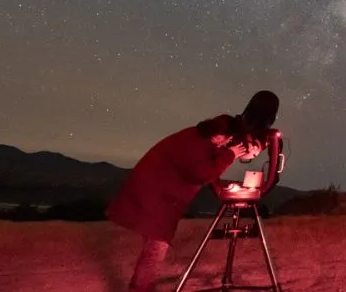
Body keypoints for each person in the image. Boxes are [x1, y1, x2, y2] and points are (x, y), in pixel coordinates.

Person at [107, 90, 280, 292]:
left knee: (154, 245)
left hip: (156, 189)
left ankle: (142, 286)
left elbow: (208, 165)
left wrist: (237, 151)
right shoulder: (203, 143)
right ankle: (140, 288)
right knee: (156, 246)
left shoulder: (208, 134)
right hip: (155, 191)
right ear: (221, 136)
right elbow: (201, 174)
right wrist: (230, 154)